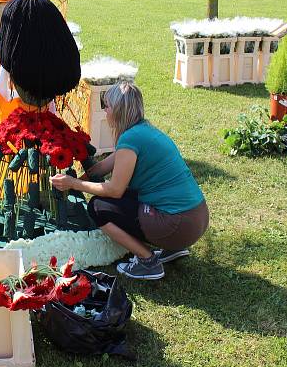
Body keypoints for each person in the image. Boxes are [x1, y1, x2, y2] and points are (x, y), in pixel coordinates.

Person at [51, 81, 209, 280]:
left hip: (177, 225)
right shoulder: (143, 130)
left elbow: (115, 190)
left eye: (106, 106)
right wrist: (71, 183)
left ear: (118, 110)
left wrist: (74, 184)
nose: (105, 111)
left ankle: (148, 262)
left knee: (98, 207)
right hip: (196, 218)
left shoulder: (130, 140)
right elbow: (101, 168)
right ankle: (172, 248)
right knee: (128, 196)